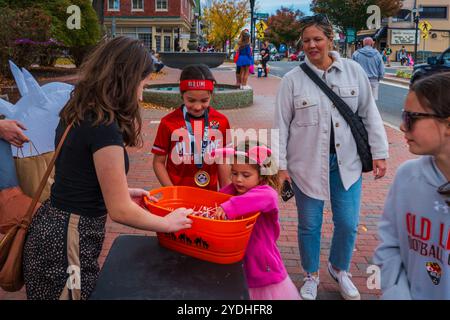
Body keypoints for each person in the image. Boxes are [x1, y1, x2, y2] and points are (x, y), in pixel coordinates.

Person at [22, 37, 193, 300]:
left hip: (53, 227)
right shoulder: (104, 129)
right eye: (143, 82)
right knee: (73, 295)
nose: (142, 91)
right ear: (128, 79)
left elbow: (78, 173)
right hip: (70, 239)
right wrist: (167, 223)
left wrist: (121, 190)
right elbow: (121, 211)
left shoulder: (78, 111)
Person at [274, 14, 389, 300]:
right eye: (306, 41)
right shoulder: (292, 80)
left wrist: (380, 153)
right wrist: (280, 167)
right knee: (309, 225)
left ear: (330, 39)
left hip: (346, 163)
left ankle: (340, 268)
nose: (312, 45)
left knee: (348, 223)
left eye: (317, 39)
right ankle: (310, 274)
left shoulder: (354, 72)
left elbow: (370, 115)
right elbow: (279, 125)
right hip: (306, 164)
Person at [374, 72, 450, 300]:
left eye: (411, 118)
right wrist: (396, 292)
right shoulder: (408, 176)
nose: (402, 125)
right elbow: (389, 243)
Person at [211, 141, 301, 300]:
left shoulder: (266, 192)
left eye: (246, 175)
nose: (238, 179)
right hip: (238, 254)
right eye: (234, 173)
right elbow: (217, 201)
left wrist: (228, 206)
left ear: (261, 175)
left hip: (261, 257)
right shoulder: (233, 189)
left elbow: (260, 198)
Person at [152, 64, 231, 191]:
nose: (198, 107)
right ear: (182, 94)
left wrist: (226, 196)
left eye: (204, 100)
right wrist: (172, 191)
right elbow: (158, 162)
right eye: (191, 100)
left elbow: (223, 161)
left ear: (211, 95)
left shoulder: (221, 121)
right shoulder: (168, 122)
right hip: (179, 197)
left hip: (210, 195)